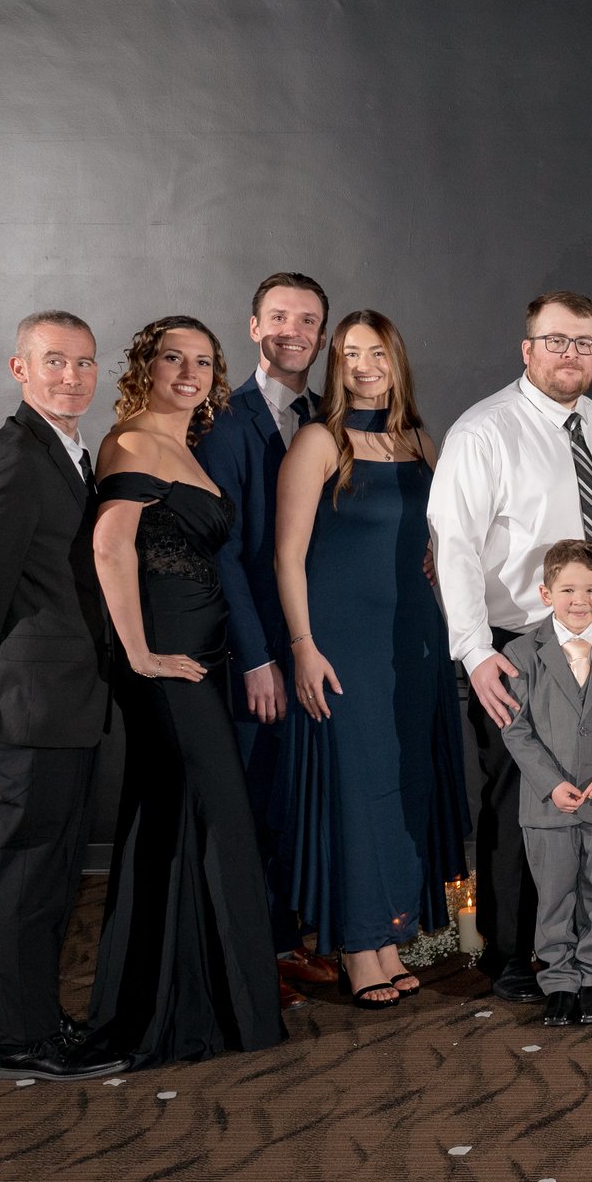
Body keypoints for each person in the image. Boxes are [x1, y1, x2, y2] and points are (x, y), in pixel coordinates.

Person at [85, 317, 285, 1068]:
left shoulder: (187, 446)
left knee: (176, 822)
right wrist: (140, 654)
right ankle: (188, 1011)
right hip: (166, 665)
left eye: (202, 361)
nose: (189, 371)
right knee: (214, 816)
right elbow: (110, 545)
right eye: (173, 357)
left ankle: (186, 1006)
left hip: (201, 660)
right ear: (147, 365)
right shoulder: (133, 440)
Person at [428, 291, 592, 1004]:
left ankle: (584, 946)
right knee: (523, 797)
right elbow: (453, 544)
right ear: (527, 349)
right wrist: (474, 650)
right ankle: (514, 953)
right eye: (556, 341)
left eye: (585, 343)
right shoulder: (483, 431)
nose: (572, 354)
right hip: (518, 643)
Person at [0, 310, 127, 1082]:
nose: (72, 377)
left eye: (84, 363)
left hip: (66, 695)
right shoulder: (14, 456)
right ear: (19, 369)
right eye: (54, 361)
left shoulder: (69, 450)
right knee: (32, 869)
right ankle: (27, 1037)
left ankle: (13, 1008)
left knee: (50, 867)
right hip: (32, 697)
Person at [273, 310, 467, 1009]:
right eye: (350, 353)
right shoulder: (318, 440)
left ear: (396, 359)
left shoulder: (420, 440)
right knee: (356, 789)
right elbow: (287, 556)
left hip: (412, 637)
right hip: (342, 643)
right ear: (335, 363)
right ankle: (358, 947)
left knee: (404, 783)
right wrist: (303, 647)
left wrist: (436, 559)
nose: (364, 366)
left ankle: (392, 935)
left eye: (376, 352)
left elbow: (442, 533)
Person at [197, 271, 339, 1007]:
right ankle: (252, 956)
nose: (293, 331)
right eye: (279, 317)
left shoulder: (329, 418)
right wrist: (254, 657)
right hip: (255, 645)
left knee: (297, 798)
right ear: (254, 327)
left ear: (322, 336)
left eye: (308, 320)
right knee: (252, 801)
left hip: (316, 638)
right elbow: (222, 552)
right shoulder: (224, 422)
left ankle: (286, 940)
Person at [498, 541, 592, 1027]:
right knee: (555, 894)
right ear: (546, 593)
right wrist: (550, 783)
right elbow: (515, 730)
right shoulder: (521, 654)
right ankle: (559, 980)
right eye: (568, 590)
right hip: (548, 806)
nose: (580, 600)